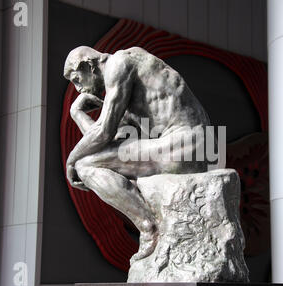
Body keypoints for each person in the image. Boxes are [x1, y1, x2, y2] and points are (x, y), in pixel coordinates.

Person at [64, 46, 212, 260]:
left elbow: (103, 132)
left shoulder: (119, 63)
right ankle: (149, 226)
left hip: (185, 144)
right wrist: (77, 114)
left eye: (78, 80)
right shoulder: (130, 80)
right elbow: (105, 144)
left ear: (89, 66)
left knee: (84, 165)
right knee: (88, 162)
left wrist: (71, 160)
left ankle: (148, 227)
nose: (79, 89)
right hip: (192, 145)